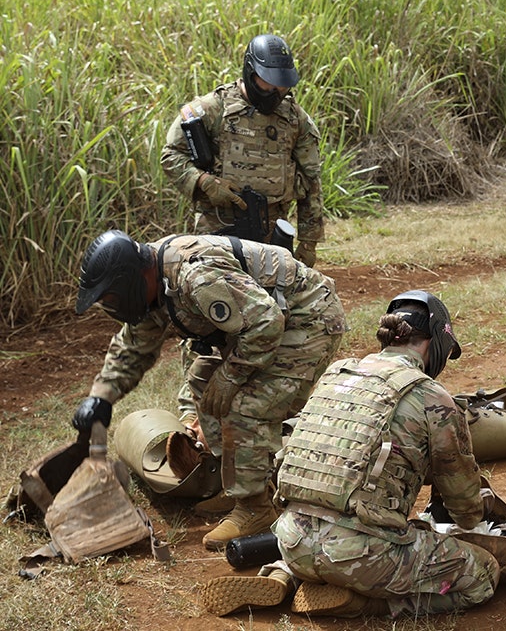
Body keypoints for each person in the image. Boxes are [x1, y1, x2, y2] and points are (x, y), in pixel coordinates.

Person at [200, 290, 499, 620]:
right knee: (483, 574)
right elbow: (465, 509)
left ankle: (282, 576)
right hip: (362, 557)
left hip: (290, 539)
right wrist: (479, 506)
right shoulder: (431, 396)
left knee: (338, 530)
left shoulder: (337, 374)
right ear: (435, 342)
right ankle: (366, 604)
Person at [71, 230, 346, 550]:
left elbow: (266, 322)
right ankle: (241, 484)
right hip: (267, 323)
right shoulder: (155, 286)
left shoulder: (195, 276)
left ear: (132, 278)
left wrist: (232, 375)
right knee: (204, 379)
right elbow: (131, 349)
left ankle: (254, 508)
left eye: (112, 298)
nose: (112, 306)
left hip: (308, 318)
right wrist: (100, 398)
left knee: (246, 403)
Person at [160, 33, 326, 430]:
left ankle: (255, 401)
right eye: (269, 83)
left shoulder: (295, 119)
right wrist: (205, 185)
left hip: (272, 233)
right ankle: (193, 408)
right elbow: (170, 156)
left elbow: (312, 182)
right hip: (218, 229)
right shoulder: (212, 109)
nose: (277, 91)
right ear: (250, 73)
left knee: (270, 314)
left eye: (283, 84)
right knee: (207, 317)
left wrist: (309, 244)